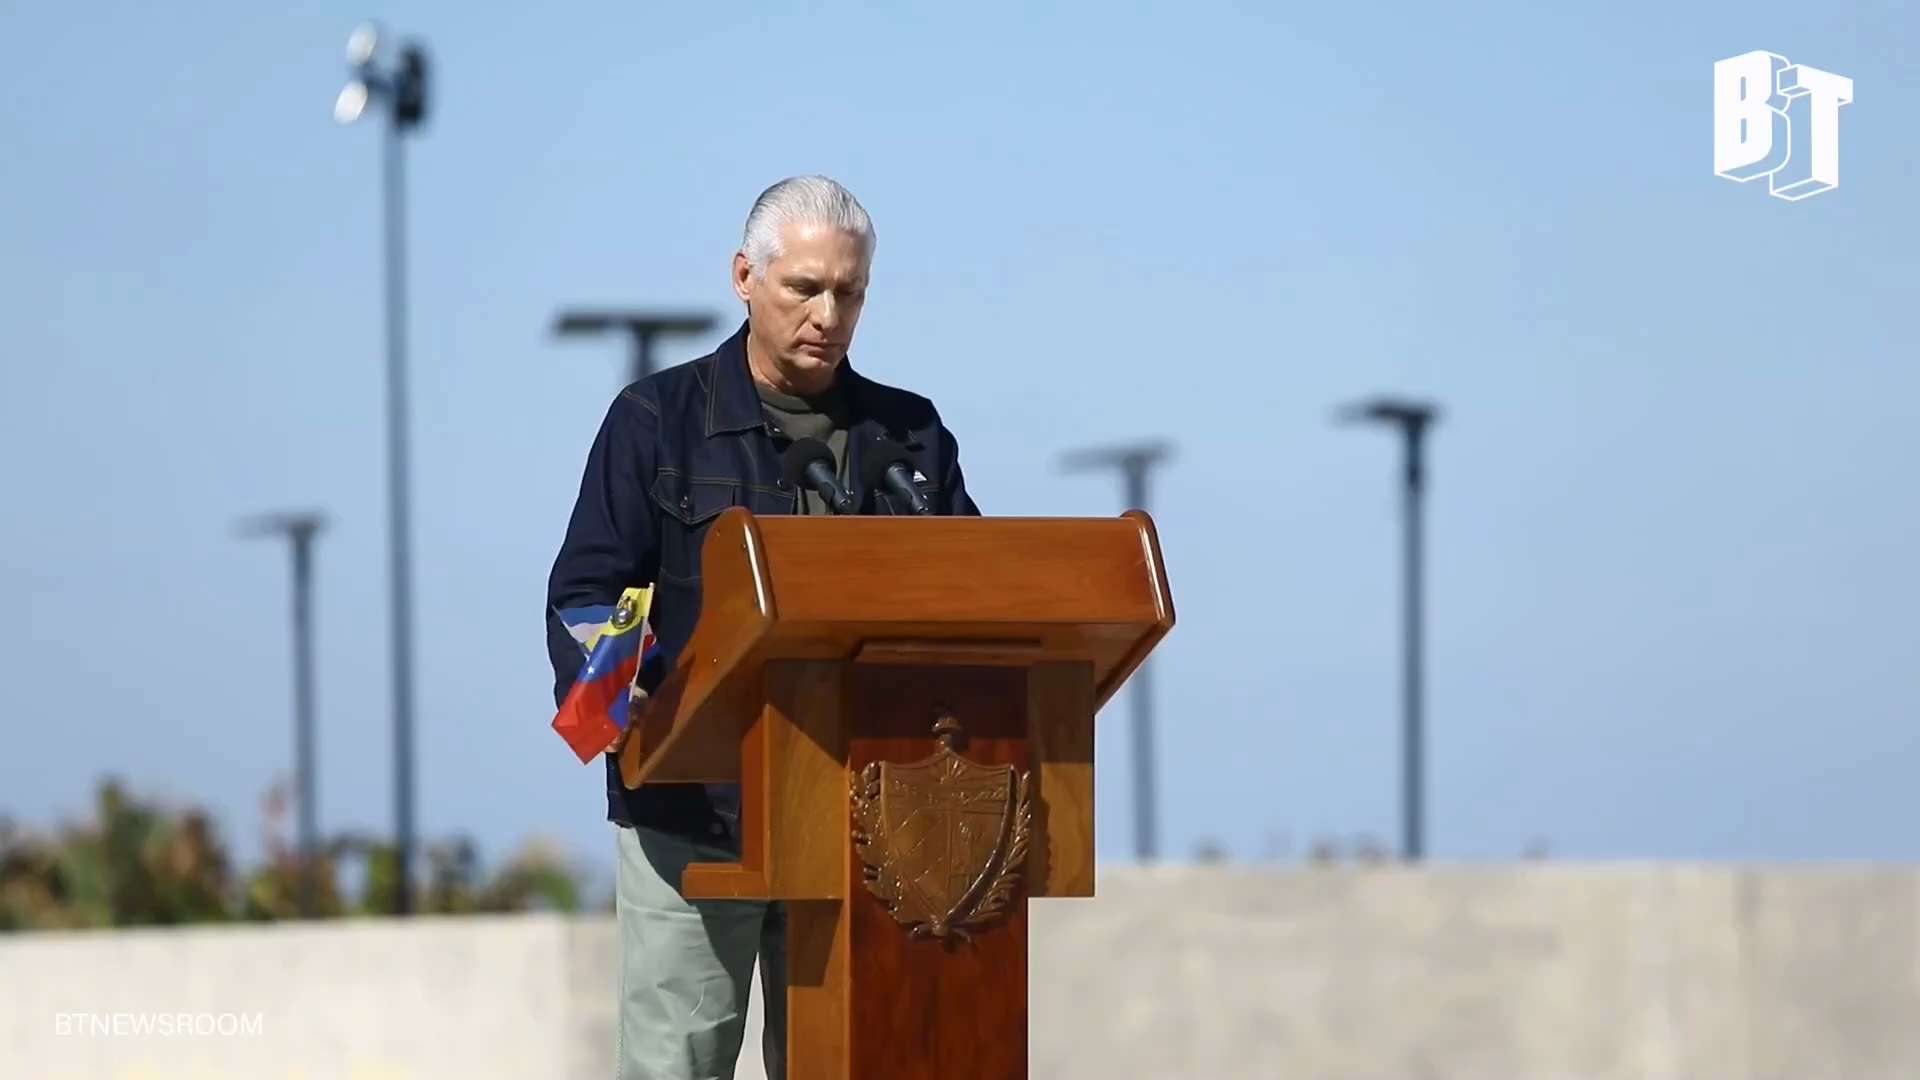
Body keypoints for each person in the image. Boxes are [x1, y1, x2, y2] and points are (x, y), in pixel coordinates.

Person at [545, 175, 981, 1080]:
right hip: (695, 816)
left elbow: (977, 599)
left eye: (849, 292)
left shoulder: (914, 438)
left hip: (870, 827)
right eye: (804, 288)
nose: (828, 312)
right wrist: (610, 681)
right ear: (745, 276)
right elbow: (588, 590)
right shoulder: (655, 423)